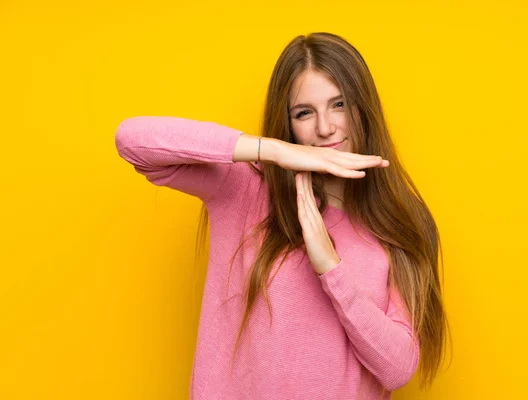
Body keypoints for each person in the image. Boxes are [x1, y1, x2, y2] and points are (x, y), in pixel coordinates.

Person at [115, 32, 450, 400]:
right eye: (304, 113)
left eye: (339, 104)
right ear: (287, 123)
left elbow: (398, 368)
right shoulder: (247, 189)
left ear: (363, 109)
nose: (325, 128)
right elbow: (132, 141)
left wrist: (331, 268)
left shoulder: (399, 226)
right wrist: (271, 150)